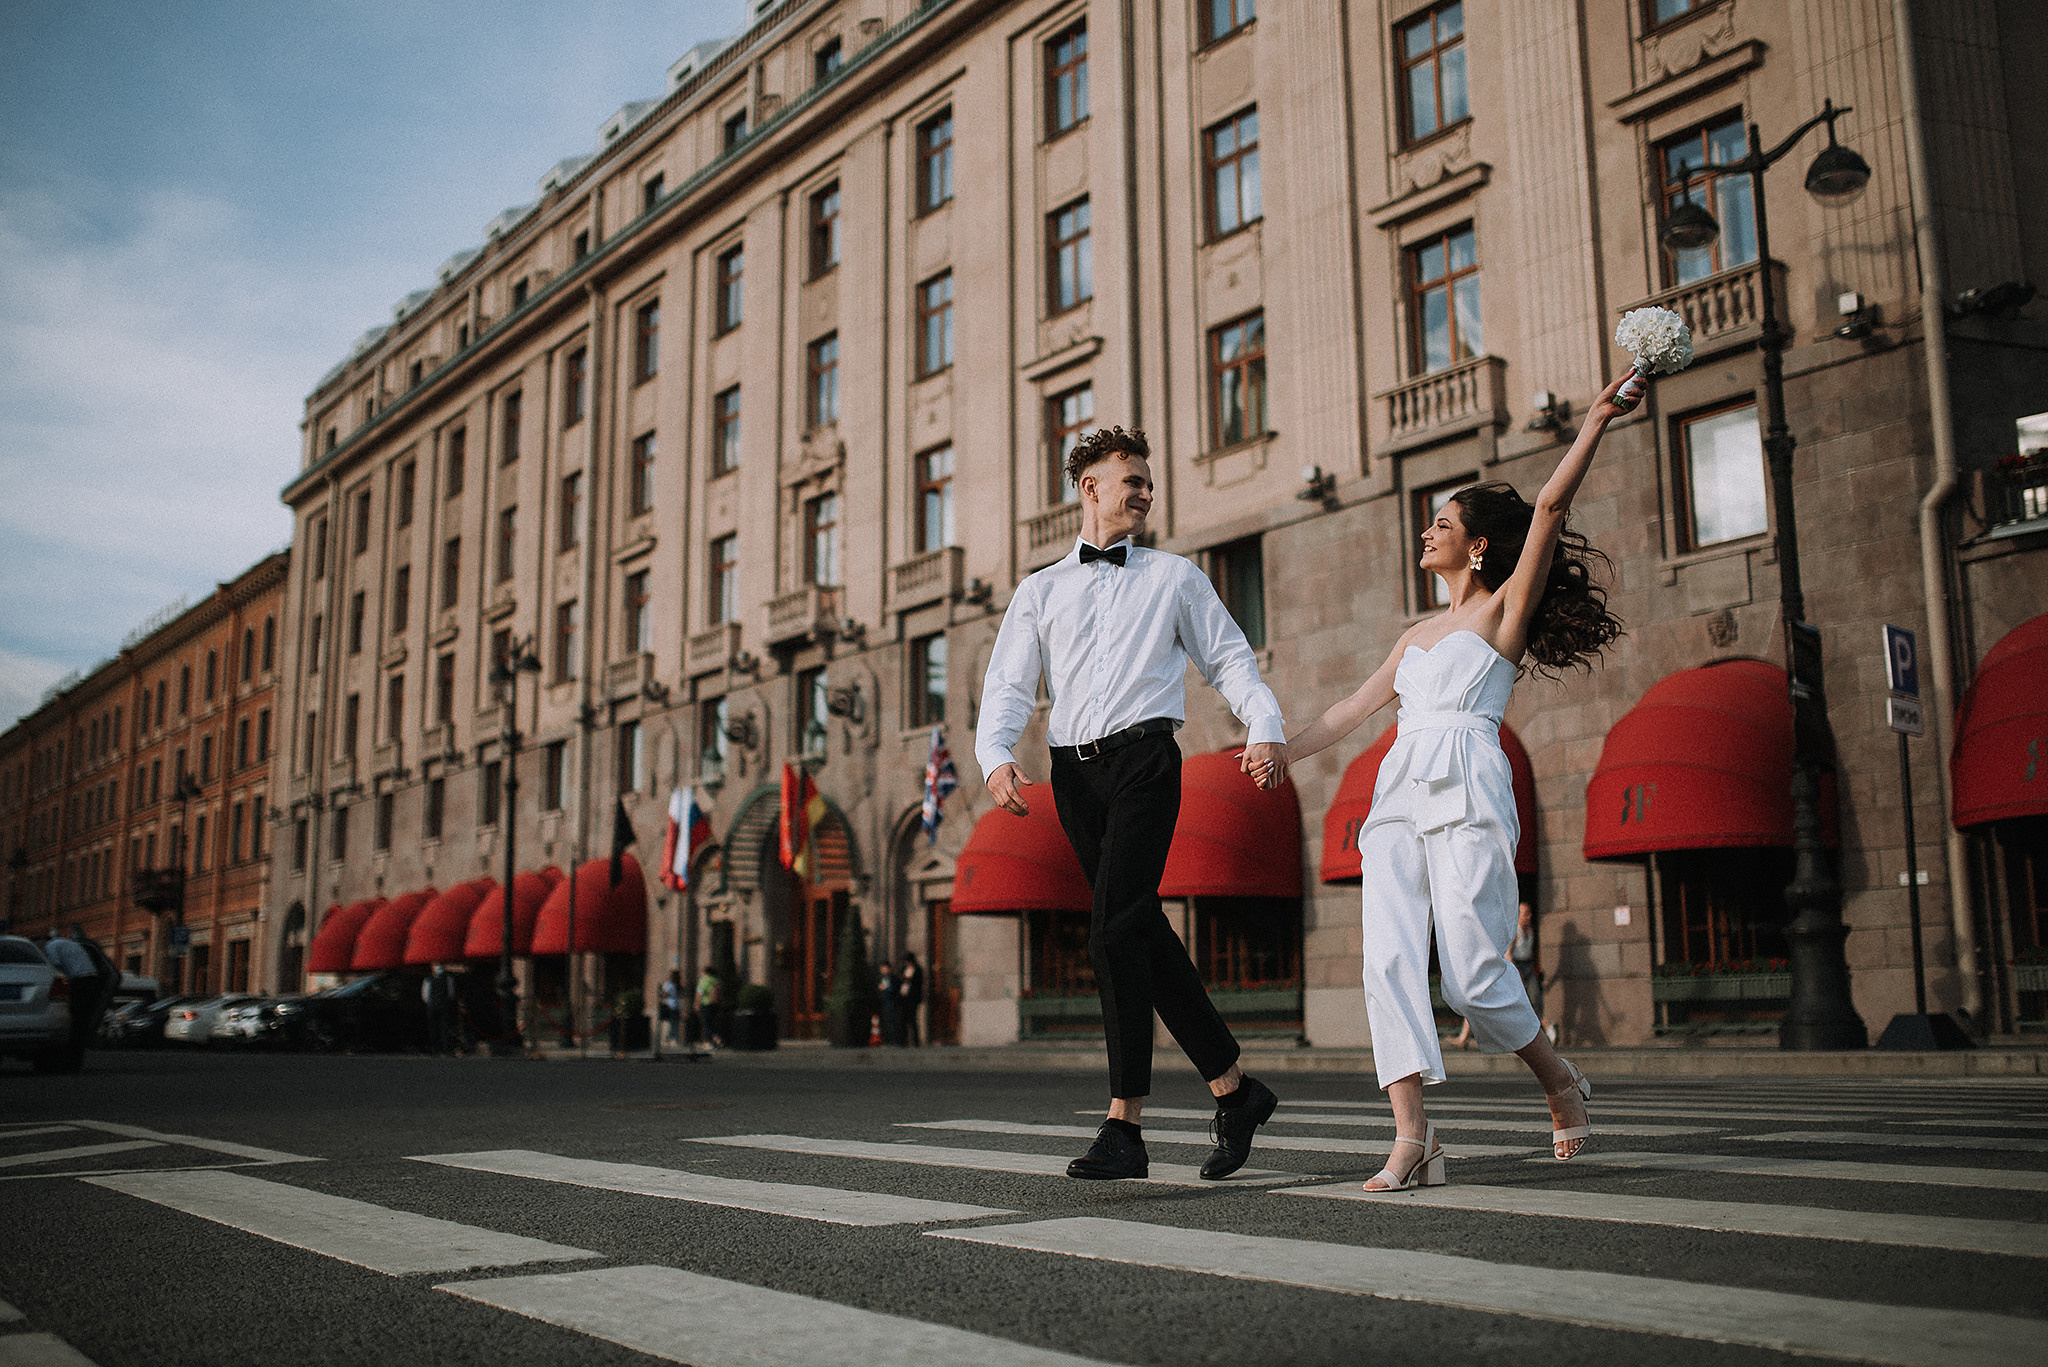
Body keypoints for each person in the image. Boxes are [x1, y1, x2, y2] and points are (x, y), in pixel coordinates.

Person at [1265, 372, 1631, 1191]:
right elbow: (1352, 707)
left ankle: (1558, 1078)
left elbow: (1548, 509)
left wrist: (1597, 419)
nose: (1425, 532)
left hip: (1468, 780)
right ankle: (1413, 1137)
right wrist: (1284, 750)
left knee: (1470, 974)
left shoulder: (1502, 611)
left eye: (1441, 523)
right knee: (1387, 959)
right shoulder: (1416, 634)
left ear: (1477, 547)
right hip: (1399, 789)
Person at [976, 425, 1288, 1182]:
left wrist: (1264, 722)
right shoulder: (1039, 590)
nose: (1146, 491)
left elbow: (1228, 656)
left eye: (1148, 481)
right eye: (1132, 480)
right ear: (1090, 488)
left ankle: (1125, 1125)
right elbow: (1010, 681)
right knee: (1139, 926)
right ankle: (1235, 1091)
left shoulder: (1174, 577)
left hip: (1147, 760)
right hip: (1073, 774)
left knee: (1114, 928)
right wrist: (996, 755)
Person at [42, 931, 103, 1053]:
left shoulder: (50, 946)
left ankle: (72, 1045)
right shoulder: (68, 943)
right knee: (84, 1014)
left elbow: (56, 967)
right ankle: (81, 1044)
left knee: (74, 1013)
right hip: (92, 977)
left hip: (79, 980)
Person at [422, 965, 459, 1056]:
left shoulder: (448, 978)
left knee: (445, 1027)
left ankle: (445, 1048)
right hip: (433, 1006)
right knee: (433, 1028)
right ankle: (436, 1049)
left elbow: (451, 993)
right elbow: (425, 994)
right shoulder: (428, 979)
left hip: (443, 1005)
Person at [898, 951, 924, 1047]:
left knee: (912, 1020)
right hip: (904, 996)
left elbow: (918, 983)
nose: (907, 963)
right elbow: (900, 979)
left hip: (913, 998)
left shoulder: (918, 970)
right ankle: (903, 1041)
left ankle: (915, 1041)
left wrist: (909, 980)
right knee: (903, 1019)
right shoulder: (904, 969)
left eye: (908, 961)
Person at [695, 965, 723, 1050]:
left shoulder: (704, 980)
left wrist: (696, 1003)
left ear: (705, 972)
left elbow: (700, 992)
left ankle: (710, 1042)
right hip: (715, 1004)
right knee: (712, 1022)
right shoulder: (716, 980)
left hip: (706, 1004)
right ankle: (715, 1039)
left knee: (706, 1023)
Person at [877, 960, 901, 1046]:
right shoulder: (882, 978)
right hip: (884, 1002)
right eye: (882, 969)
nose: (883, 970)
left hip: (891, 1002)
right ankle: (887, 1040)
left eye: (884, 968)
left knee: (892, 1022)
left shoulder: (893, 978)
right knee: (886, 1021)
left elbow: (894, 989)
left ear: (889, 968)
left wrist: (885, 988)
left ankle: (894, 1040)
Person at [659, 970, 684, 1046]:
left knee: (671, 1023)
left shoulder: (669, 984)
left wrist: (661, 993)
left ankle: (670, 1039)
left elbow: (664, 994)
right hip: (677, 1006)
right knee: (674, 1023)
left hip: (670, 1005)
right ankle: (674, 1039)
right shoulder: (678, 984)